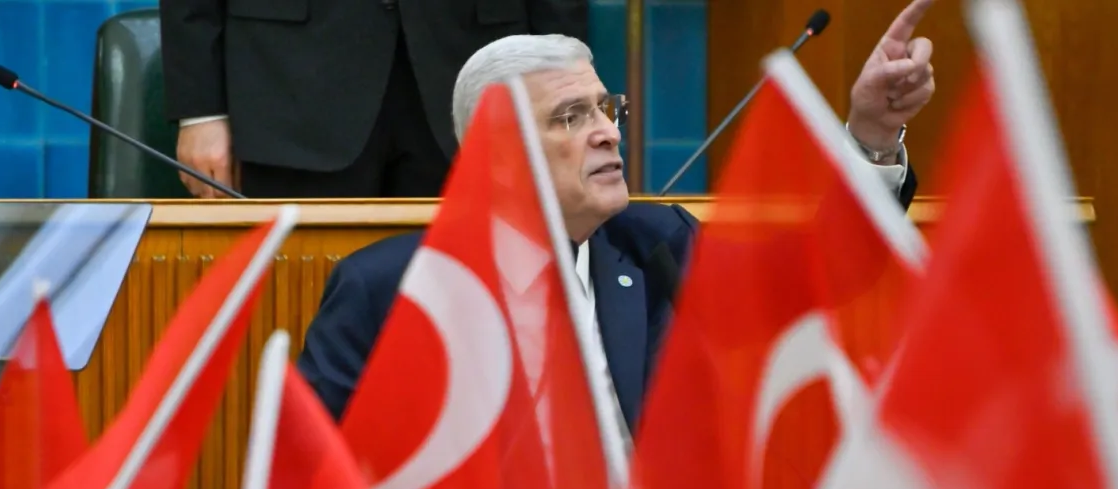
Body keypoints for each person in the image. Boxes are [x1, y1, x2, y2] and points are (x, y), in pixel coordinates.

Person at [296, 0, 938, 428]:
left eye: (608, 109)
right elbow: (316, 486)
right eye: (571, 117)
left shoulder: (657, 250)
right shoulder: (387, 291)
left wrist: (873, 136)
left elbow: (821, 274)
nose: (608, 132)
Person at [159, 0, 588, 199]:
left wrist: (564, 100)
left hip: (470, 72)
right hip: (288, 86)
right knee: (299, 310)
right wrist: (201, 111)